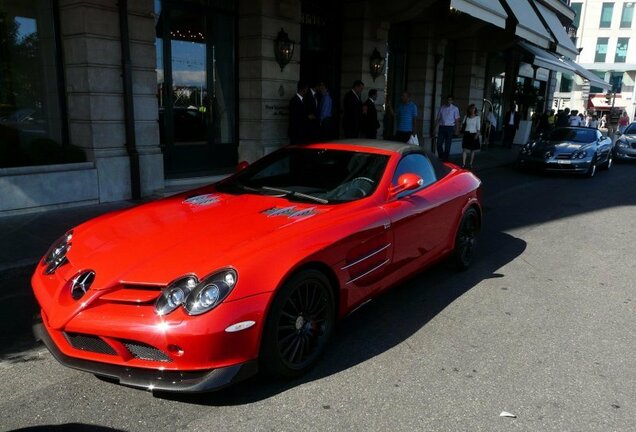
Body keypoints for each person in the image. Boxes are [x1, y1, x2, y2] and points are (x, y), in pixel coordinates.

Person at [435, 94, 460, 160]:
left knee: (447, 144)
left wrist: (457, 130)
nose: (449, 101)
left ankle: (445, 159)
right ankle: (441, 156)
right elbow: (438, 118)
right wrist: (434, 128)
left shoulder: (455, 108)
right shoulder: (442, 107)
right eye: (448, 100)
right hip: (442, 127)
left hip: (450, 127)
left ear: (452, 101)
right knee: (439, 144)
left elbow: (457, 120)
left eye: (450, 100)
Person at [461, 104, 481, 169]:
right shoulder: (466, 116)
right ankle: (463, 164)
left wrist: (477, 135)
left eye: (474, 108)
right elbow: (463, 125)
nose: (472, 110)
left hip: (473, 134)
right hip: (467, 134)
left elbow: (478, 128)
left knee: (473, 150)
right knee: (464, 149)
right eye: (471, 108)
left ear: (475, 110)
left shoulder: (477, 117)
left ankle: (470, 163)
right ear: (469, 109)